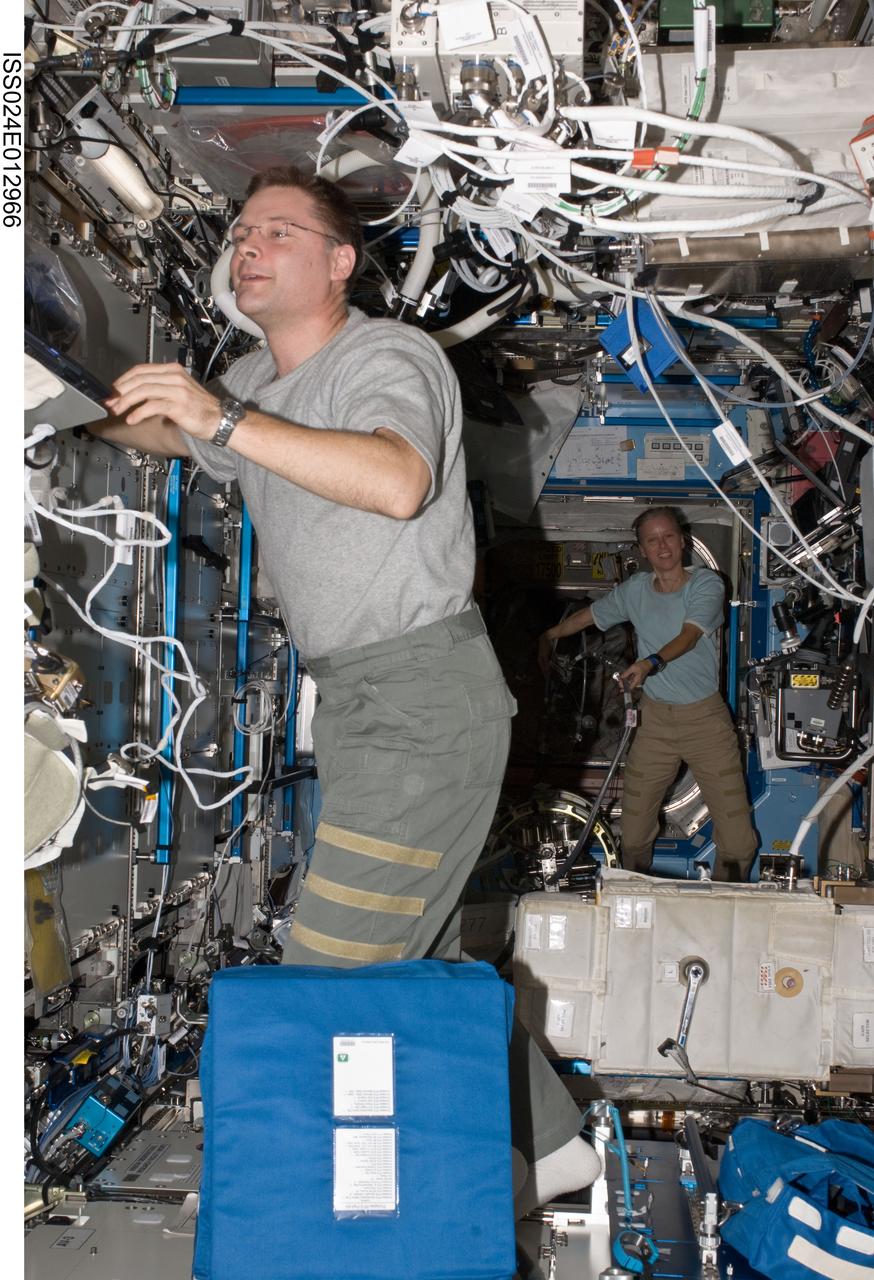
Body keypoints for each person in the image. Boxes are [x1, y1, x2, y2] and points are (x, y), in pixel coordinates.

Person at [96, 165, 599, 1213]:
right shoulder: (255, 379)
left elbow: (395, 479)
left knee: (327, 976)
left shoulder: (386, 355)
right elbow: (178, 433)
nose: (248, 245)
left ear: (338, 263)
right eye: (241, 231)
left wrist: (221, 420)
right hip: (371, 704)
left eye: (278, 230)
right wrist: (71, 415)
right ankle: (550, 1144)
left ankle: (306, 1214)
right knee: (416, 949)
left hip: (418, 697)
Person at [539, 506, 758, 881]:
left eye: (669, 536)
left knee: (738, 843)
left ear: (683, 541)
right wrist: (550, 635)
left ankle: (724, 901)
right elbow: (591, 615)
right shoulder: (636, 590)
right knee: (634, 835)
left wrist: (650, 663)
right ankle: (634, 896)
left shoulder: (706, 584)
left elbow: (690, 636)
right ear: (641, 549)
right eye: (652, 540)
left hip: (705, 722)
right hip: (655, 723)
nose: (663, 546)